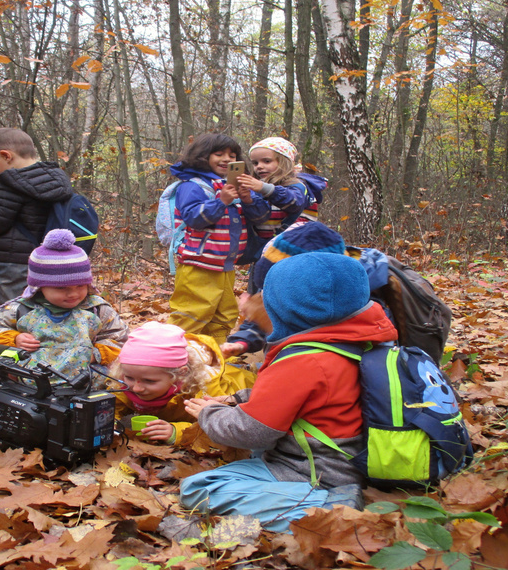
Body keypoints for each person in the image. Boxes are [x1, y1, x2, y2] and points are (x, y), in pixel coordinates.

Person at [180, 251, 399, 532]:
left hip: (319, 469)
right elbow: (319, 396)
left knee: (199, 489)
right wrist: (237, 398)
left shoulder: (301, 360)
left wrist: (209, 414)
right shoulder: (358, 340)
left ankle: (325, 512)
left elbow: (251, 431)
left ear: (287, 307)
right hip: (357, 457)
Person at [0, 229, 128, 380]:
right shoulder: (20, 308)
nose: (73, 294)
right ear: (39, 287)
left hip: (86, 378)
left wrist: (98, 354)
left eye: (81, 286)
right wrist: (14, 339)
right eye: (61, 288)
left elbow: (120, 338)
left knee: (120, 381)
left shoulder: (96, 309)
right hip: (28, 376)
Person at [0, 128, 76, 318]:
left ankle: (8, 344)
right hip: (46, 259)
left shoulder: (11, 184)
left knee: (8, 310)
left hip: (10, 262)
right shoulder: (56, 179)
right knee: (44, 310)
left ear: (6, 156)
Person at [167, 133, 271, 345]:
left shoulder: (236, 185)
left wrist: (248, 199)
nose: (227, 159)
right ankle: (171, 356)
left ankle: (213, 356)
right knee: (191, 315)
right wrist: (221, 201)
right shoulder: (193, 185)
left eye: (232, 156)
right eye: (219, 154)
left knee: (224, 315)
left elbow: (261, 217)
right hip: (198, 264)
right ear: (203, 156)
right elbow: (194, 218)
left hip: (225, 265)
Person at [110, 321, 255, 445]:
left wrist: (176, 432)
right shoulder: (125, 382)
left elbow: (225, 427)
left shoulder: (205, 391)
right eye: (129, 377)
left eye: (149, 381)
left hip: (249, 389)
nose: (136, 388)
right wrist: (108, 422)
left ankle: (252, 367)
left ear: (180, 374)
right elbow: (114, 406)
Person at [221, 221, 347, 358]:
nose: (269, 293)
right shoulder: (277, 293)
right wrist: (242, 342)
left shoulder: (346, 305)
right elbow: (259, 325)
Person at [236, 137, 310, 245]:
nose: (259, 166)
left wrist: (265, 189)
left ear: (284, 162)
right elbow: (256, 218)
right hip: (264, 246)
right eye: (255, 163)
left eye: (267, 161)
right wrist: (248, 200)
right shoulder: (256, 186)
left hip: (292, 245)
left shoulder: (295, 184)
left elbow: (295, 202)